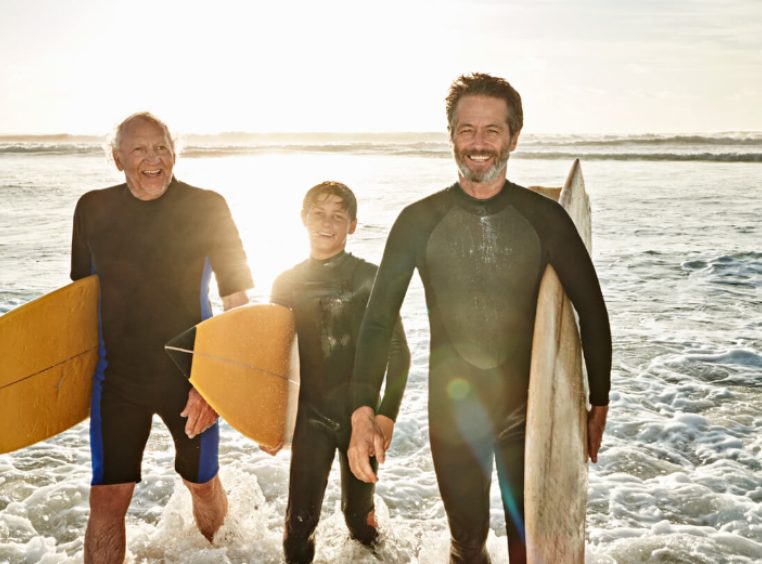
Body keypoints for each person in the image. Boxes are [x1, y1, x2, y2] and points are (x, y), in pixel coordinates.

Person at [347, 73, 612, 563]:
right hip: (455, 415)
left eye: (493, 130)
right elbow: (378, 319)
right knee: (467, 545)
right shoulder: (418, 221)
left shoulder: (546, 219)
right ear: (451, 135)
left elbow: (591, 310)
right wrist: (364, 409)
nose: (479, 144)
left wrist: (598, 402)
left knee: (527, 546)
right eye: (467, 130)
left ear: (514, 137)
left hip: (526, 412)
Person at [70, 112, 253, 564]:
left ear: (174, 152)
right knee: (108, 498)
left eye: (162, 147)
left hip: (191, 378)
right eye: (139, 149)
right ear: (117, 159)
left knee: (202, 484)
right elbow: (78, 302)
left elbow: (238, 303)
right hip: (117, 381)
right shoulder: (92, 208)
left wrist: (214, 386)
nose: (153, 159)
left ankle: (225, 557)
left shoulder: (207, 206)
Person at [269, 181, 410, 563]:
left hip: (359, 418)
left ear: (352, 225)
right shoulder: (286, 283)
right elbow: (273, 360)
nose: (327, 223)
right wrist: (267, 421)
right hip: (310, 417)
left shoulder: (370, 278)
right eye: (318, 213)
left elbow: (400, 354)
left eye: (338, 216)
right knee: (298, 525)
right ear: (303, 219)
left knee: (357, 520)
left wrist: (386, 416)